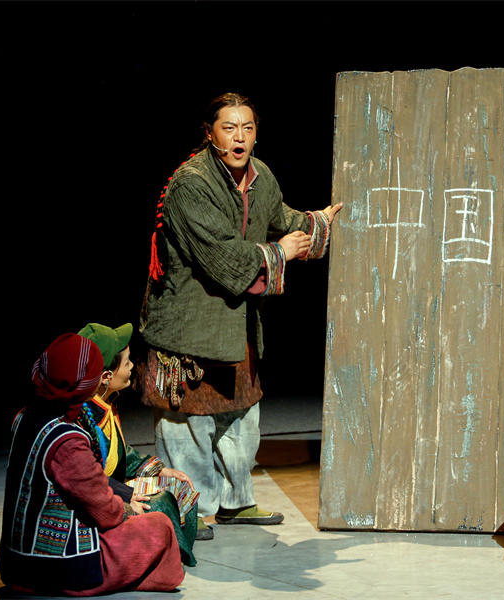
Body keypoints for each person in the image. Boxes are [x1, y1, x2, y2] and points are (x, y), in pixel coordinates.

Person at [137, 92, 343, 540]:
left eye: (247, 128)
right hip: (190, 327)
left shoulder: (260, 175)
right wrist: (279, 252)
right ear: (209, 133)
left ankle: (235, 501)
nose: (239, 137)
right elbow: (223, 258)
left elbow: (280, 217)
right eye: (229, 128)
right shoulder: (191, 185)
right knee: (188, 426)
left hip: (235, 326)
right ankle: (185, 511)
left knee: (242, 419)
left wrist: (318, 223)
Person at [0, 333, 185, 596]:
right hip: (59, 569)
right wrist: (128, 509)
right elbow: (103, 510)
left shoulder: (24, 417)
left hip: (15, 563)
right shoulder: (67, 440)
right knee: (159, 526)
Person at [77, 322, 199, 566]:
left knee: (180, 486)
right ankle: (167, 560)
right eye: (126, 363)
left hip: (113, 487)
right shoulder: (83, 418)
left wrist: (158, 469)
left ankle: (174, 555)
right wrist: (128, 495)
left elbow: (119, 454)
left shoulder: (105, 405)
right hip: (102, 497)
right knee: (160, 502)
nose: (132, 366)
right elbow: (89, 479)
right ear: (106, 377)